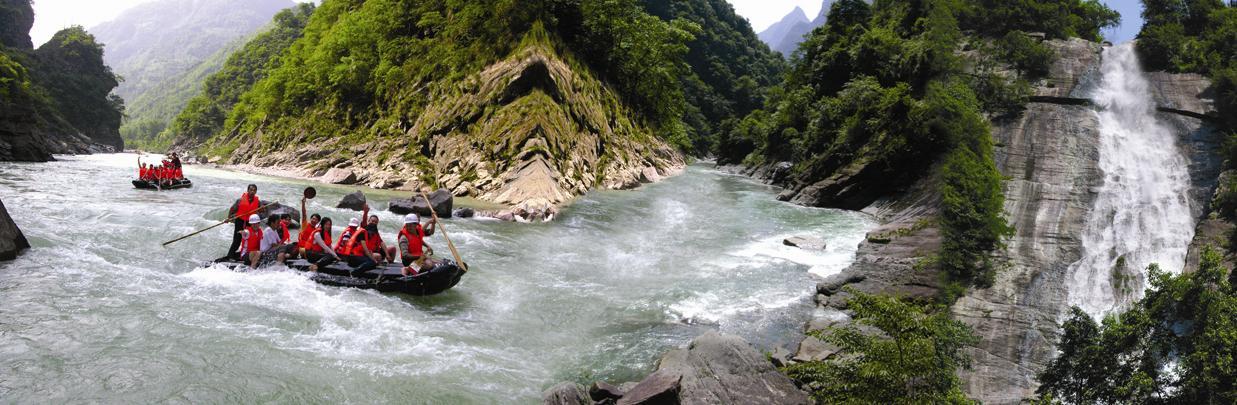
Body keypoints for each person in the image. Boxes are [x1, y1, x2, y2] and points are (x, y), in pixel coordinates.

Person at [313, 216, 377, 274]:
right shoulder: (349, 233)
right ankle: (354, 272)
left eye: (354, 227)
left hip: (347, 255)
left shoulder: (355, 233)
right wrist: (373, 260)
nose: (353, 228)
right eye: (352, 226)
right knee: (372, 262)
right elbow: (365, 250)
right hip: (347, 256)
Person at [226, 185, 261, 260]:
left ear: (256, 192)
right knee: (237, 239)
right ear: (248, 190)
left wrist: (262, 209)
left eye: (254, 190)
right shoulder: (240, 200)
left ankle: (245, 254)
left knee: (250, 239)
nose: (252, 192)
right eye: (251, 190)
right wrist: (228, 218)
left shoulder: (257, 201)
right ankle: (230, 256)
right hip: (240, 221)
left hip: (250, 222)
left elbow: (261, 210)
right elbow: (232, 209)